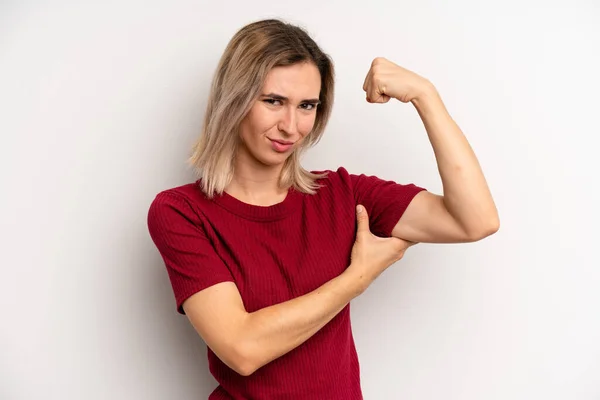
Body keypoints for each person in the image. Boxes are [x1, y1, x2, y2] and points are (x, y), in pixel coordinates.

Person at [147, 18, 499, 400]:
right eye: (273, 101)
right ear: (234, 99)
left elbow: (475, 220)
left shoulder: (342, 194)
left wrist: (426, 97)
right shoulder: (181, 213)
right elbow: (242, 349)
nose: (291, 126)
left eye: (307, 106)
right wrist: (356, 279)